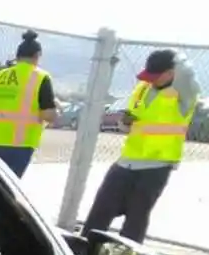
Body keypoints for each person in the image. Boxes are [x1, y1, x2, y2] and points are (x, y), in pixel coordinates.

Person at [83, 48, 200, 244]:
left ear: (171, 73)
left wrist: (176, 57)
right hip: (127, 161)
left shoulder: (183, 94)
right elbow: (134, 120)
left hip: (156, 165)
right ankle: (84, 251)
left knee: (135, 221)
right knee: (100, 211)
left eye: (156, 76)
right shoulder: (143, 88)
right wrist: (125, 123)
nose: (150, 80)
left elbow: (188, 73)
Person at [0, 30, 57, 177]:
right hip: (18, 145)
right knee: (6, 189)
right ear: (37, 56)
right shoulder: (40, 77)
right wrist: (57, 110)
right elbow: (48, 114)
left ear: (17, 56)